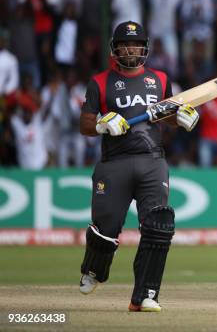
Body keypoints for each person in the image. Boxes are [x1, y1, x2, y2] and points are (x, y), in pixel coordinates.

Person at [77, 21, 200, 312]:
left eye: (135, 44)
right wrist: (102, 123)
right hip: (114, 163)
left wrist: (182, 117)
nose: (130, 49)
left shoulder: (159, 79)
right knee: (105, 228)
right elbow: (84, 124)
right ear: (115, 49)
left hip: (152, 161)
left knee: (158, 225)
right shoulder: (99, 82)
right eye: (124, 44)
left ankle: (146, 294)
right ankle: (94, 270)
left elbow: (165, 113)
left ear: (144, 48)